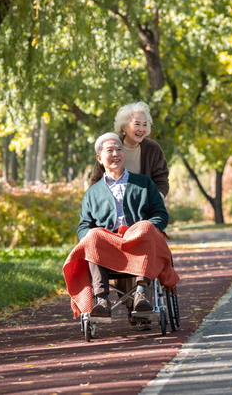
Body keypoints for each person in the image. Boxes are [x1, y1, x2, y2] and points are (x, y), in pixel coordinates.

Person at [77, 132, 169, 328]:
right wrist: (91, 238)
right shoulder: (92, 193)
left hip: (139, 243)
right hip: (108, 247)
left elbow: (160, 214)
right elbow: (84, 225)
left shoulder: (144, 183)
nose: (116, 153)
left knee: (145, 226)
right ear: (100, 158)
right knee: (92, 234)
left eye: (119, 149)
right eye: (110, 150)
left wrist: (147, 229)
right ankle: (102, 299)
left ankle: (141, 294)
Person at [89, 102, 169, 198]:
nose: (141, 129)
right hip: (113, 206)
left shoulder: (153, 149)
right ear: (124, 127)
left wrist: (156, 199)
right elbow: (96, 180)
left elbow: (161, 180)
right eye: (137, 124)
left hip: (145, 207)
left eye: (144, 125)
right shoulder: (111, 146)